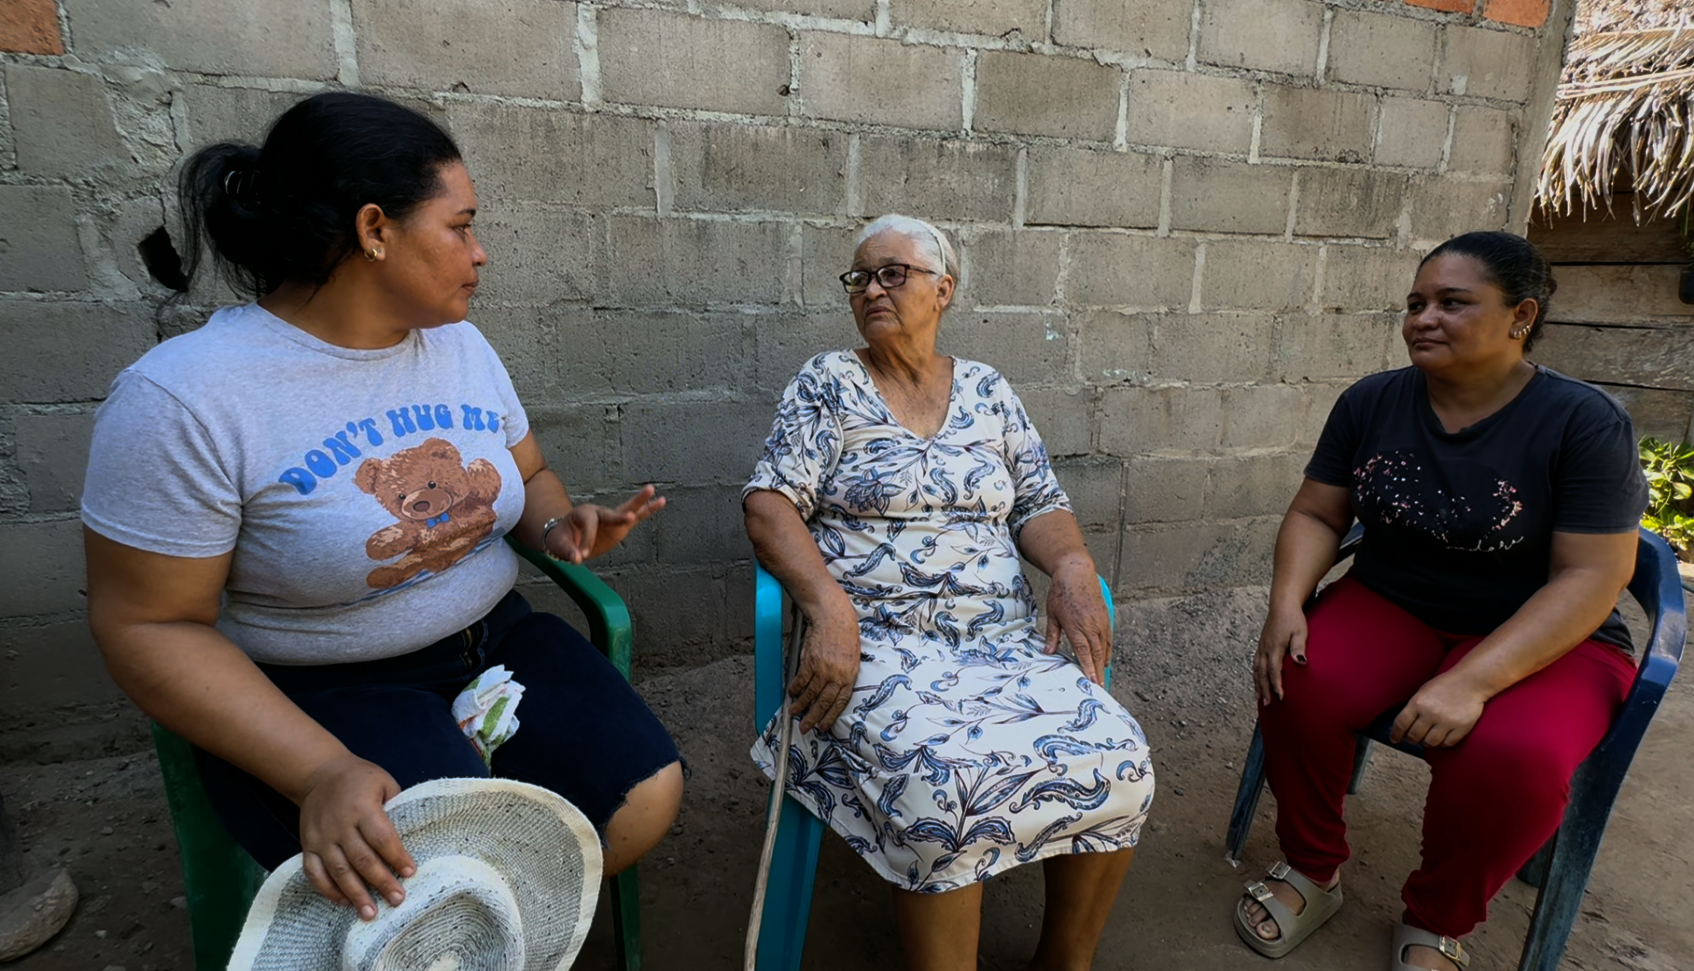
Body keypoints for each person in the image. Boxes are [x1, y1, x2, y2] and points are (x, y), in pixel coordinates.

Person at [81, 92, 683, 929]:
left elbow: (529, 471)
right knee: (445, 872)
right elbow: (146, 626)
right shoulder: (187, 398)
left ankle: (490, 931)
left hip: (495, 643)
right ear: (375, 229)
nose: (482, 252)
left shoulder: (458, 344)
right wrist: (320, 770)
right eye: (460, 225)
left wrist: (556, 523)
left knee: (642, 796)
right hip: (322, 692)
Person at [744, 214, 1153, 971]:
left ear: (945, 289)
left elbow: (1040, 502)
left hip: (1001, 644)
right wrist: (830, 608)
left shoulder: (989, 392)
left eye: (891, 273)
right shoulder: (829, 383)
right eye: (860, 277)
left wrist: (1069, 567)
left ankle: (1065, 961)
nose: (871, 288)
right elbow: (768, 504)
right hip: (877, 648)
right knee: (943, 787)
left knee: (1123, 759)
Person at [1232, 231, 1648, 971]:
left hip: (1553, 633)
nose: (1423, 318)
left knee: (1511, 755)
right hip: (1395, 601)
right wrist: (1287, 602)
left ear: (1521, 315)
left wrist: (1473, 680)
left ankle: (1436, 919)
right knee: (1295, 672)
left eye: (1453, 303)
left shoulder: (1584, 424)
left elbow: (1591, 577)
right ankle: (1313, 867)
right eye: (1416, 303)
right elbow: (1318, 513)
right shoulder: (1373, 401)